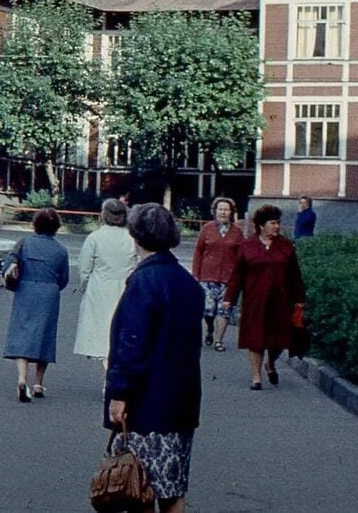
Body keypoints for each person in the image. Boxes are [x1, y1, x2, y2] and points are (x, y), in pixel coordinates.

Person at [105, 203, 204, 513]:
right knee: (173, 487)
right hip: (182, 399)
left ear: (136, 235)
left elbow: (131, 344)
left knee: (140, 486)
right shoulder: (187, 282)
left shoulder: (144, 281)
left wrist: (119, 394)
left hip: (147, 401)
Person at [223, 204, 306, 390]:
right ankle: (256, 377)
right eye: (273, 223)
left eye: (278, 223)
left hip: (281, 302)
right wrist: (230, 298)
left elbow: (295, 275)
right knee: (255, 339)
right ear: (261, 225)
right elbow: (237, 275)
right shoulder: (247, 245)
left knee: (278, 341)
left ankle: (270, 363)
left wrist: (300, 300)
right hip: (255, 301)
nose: (277, 226)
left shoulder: (285, 245)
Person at [1, 207, 70, 402]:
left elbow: (7, 266)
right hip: (49, 292)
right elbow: (64, 279)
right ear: (56, 228)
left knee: (22, 332)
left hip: (25, 290)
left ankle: (22, 379)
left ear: (35, 225)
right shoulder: (61, 250)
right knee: (44, 335)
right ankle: (38, 382)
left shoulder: (24, 243)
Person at [72, 198, 137, 370]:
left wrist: (84, 286)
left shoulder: (95, 237)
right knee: (121, 332)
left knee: (102, 334)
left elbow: (85, 267)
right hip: (125, 288)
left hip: (100, 288)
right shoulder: (132, 238)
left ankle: (109, 376)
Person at [191, 197, 246, 351]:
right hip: (207, 277)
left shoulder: (237, 233)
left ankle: (218, 340)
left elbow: (242, 257)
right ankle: (209, 329)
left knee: (224, 310)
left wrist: (239, 278)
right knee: (208, 310)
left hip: (228, 279)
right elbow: (198, 252)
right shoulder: (207, 229)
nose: (223, 212)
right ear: (215, 211)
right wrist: (195, 275)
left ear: (231, 212)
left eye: (226, 209)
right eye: (220, 209)